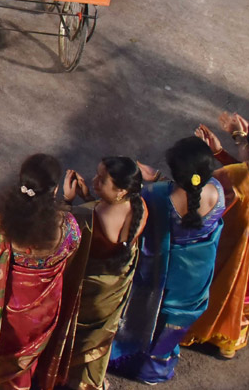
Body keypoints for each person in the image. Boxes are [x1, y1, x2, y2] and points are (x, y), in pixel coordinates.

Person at [0, 154, 83, 388]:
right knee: (23, 365)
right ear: (53, 191)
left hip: (2, 308)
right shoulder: (69, 228)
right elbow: (69, 262)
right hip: (39, 316)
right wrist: (68, 203)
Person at [110, 137, 226, 383]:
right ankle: (158, 367)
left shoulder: (156, 195)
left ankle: (132, 361)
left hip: (164, 277)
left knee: (151, 316)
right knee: (174, 324)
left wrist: (151, 181)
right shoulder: (218, 192)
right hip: (196, 278)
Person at [57, 157, 148, 390]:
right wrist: (90, 198)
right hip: (113, 291)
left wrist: (67, 201)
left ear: (121, 190)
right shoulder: (140, 208)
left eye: (102, 180)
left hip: (90, 291)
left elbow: (62, 230)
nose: (94, 180)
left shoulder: (88, 218)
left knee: (76, 336)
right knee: (98, 342)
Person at [182, 113, 249, 359]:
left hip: (229, 251)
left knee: (220, 285)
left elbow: (197, 199)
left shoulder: (231, 177)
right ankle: (232, 339)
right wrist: (233, 143)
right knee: (245, 296)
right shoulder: (237, 174)